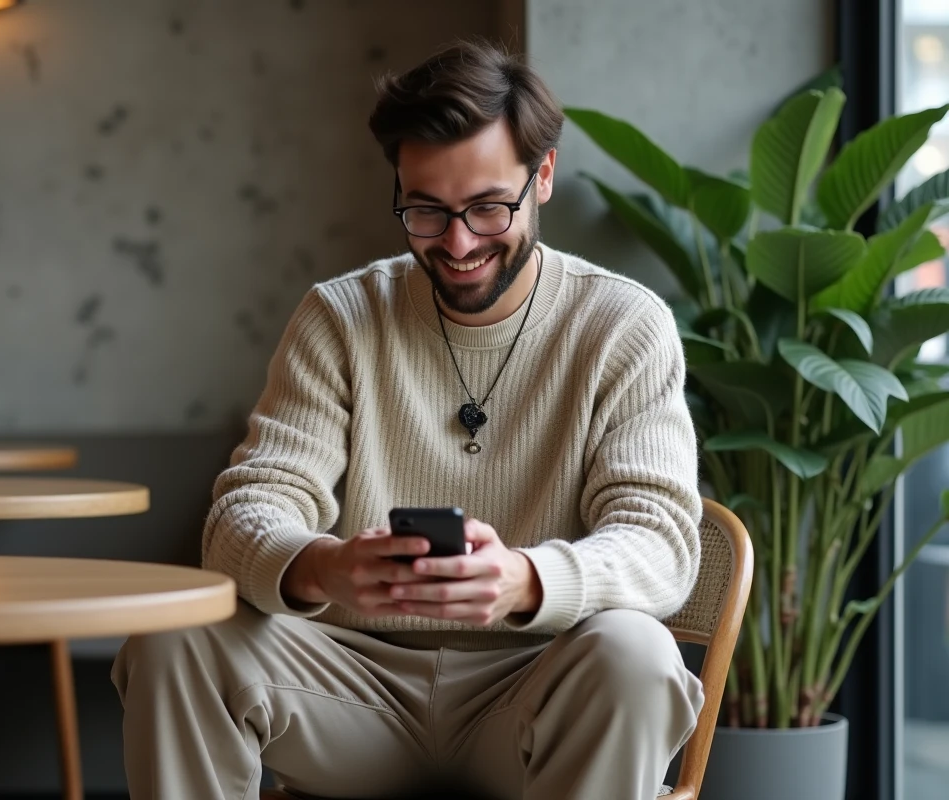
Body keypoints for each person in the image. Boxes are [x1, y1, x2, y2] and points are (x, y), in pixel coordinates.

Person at [113, 39, 705, 800]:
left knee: (637, 654)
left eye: (489, 207)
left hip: (533, 696)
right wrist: (323, 565)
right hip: (349, 697)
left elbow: (660, 546)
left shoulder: (623, 325)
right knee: (175, 640)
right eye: (425, 209)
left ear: (543, 178)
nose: (457, 244)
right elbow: (241, 517)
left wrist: (528, 579)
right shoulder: (341, 317)